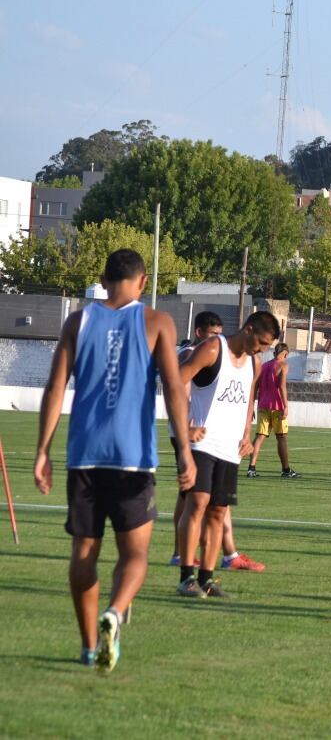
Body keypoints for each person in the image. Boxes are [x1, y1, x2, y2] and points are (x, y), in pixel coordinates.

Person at [34, 249, 194, 672]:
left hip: (84, 456)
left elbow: (54, 388)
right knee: (135, 553)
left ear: (103, 280)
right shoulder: (157, 322)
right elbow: (175, 390)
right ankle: (116, 611)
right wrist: (184, 450)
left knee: (84, 551)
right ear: (142, 282)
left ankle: (89, 646)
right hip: (132, 458)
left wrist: (42, 451)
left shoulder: (77, 321)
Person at [176, 312, 281, 599]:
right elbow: (176, 380)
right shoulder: (213, 349)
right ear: (248, 330)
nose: (261, 349)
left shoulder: (254, 363)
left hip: (230, 448)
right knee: (196, 504)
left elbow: (248, 399)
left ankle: (207, 579)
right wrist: (185, 424)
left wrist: (247, 433)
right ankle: (186, 577)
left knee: (218, 511)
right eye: (260, 342)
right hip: (203, 443)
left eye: (266, 346)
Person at [248, 343, 297, 478]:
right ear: (285, 354)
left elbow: (255, 386)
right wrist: (286, 406)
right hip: (277, 407)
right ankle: (286, 470)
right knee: (281, 437)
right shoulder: (283, 366)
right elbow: (282, 387)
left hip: (263, 405)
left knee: (259, 436)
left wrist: (251, 407)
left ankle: (251, 468)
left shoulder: (263, 366)